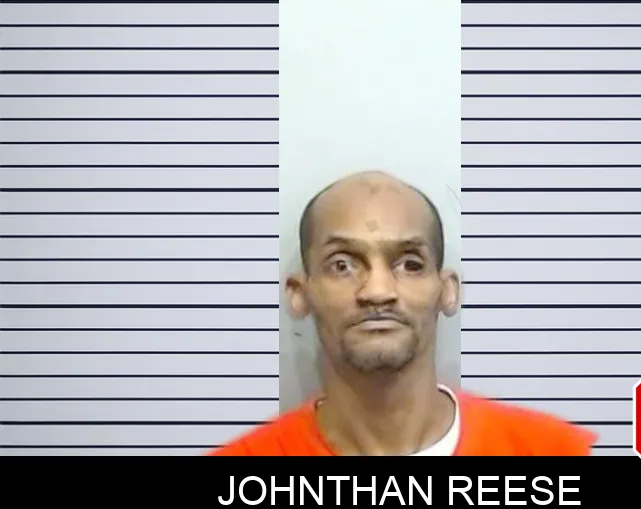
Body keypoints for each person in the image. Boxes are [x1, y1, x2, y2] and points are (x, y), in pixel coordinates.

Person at [209, 170, 596, 456]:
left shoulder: (555, 452)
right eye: (342, 265)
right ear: (299, 293)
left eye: (410, 264)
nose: (378, 291)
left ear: (447, 291)